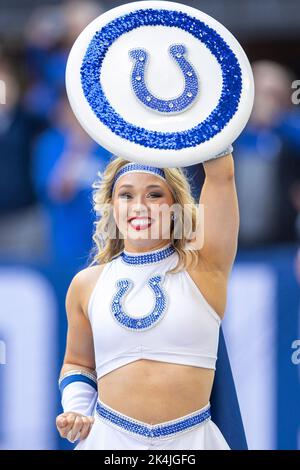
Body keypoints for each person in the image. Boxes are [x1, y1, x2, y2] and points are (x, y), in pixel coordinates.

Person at [56, 146, 241, 450]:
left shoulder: (204, 269)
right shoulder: (86, 284)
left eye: (154, 195)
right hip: (110, 443)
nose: (139, 206)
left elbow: (222, 175)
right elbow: (78, 363)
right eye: (126, 195)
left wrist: (200, 118)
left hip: (192, 442)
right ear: (111, 206)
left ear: (175, 206)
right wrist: (76, 409)